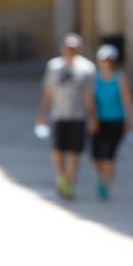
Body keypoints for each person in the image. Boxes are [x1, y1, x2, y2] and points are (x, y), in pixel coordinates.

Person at [36, 33, 97, 200]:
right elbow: (48, 93)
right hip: (58, 115)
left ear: (79, 49)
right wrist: (41, 115)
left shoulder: (87, 68)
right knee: (57, 151)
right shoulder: (54, 67)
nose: (71, 51)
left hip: (78, 116)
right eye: (68, 48)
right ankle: (62, 177)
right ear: (62, 48)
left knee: (74, 153)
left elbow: (89, 96)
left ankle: (69, 184)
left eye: (74, 48)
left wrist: (93, 117)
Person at [91, 44, 133, 200]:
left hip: (116, 121)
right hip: (98, 121)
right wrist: (92, 118)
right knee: (95, 157)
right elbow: (90, 100)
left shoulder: (120, 78)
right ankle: (101, 177)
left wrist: (130, 121)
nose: (107, 63)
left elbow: (127, 101)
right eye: (104, 60)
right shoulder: (94, 78)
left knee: (108, 155)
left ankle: (105, 184)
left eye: (110, 60)